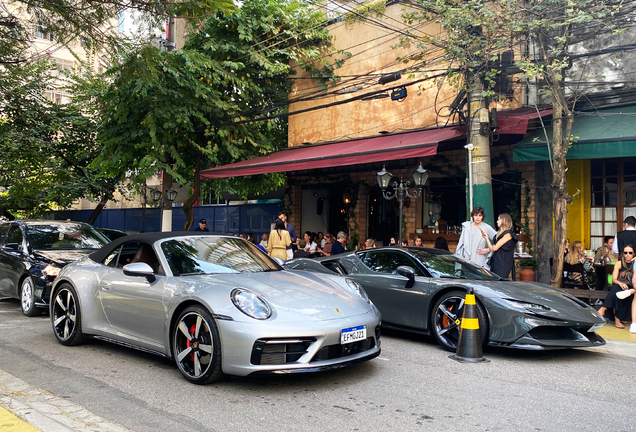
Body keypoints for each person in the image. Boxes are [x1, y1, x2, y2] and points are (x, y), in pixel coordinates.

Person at [598, 244, 636, 329]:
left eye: (630, 253)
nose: (628, 255)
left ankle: (603, 308)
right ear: (623, 254)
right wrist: (621, 283)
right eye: (625, 253)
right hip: (621, 286)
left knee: (617, 292)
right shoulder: (619, 263)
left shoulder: (635, 263)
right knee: (617, 290)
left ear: (634, 254)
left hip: (633, 289)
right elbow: (614, 279)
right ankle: (617, 320)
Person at [482, 213, 518, 279]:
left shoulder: (508, 234)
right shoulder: (499, 233)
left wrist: (491, 245)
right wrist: (486, 238)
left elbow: (495, 248)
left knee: (500, 282)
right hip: (496, 262)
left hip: (503, 264)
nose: (497, 221)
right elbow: (492, 249)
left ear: (504, 221)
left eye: (498, 219)